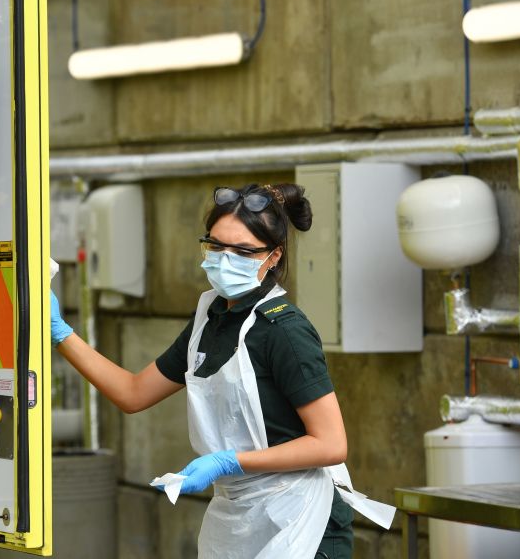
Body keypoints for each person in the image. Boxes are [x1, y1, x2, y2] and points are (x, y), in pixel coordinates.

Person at [51, 183, 373, 558]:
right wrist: (60, 332)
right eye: (216, 245)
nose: (224, 258)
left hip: (303, 519)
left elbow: (332, 444)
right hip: (238, 514)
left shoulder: (285, 331)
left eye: (243, 251)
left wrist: (228, 461)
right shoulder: (210, 317)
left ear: (273, 256)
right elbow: (133, 393)